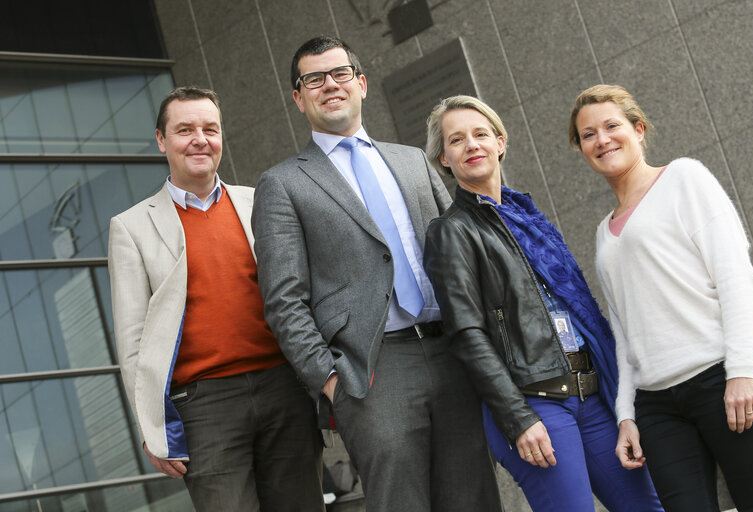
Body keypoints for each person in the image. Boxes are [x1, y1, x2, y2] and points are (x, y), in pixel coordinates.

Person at [252, 37, 501, 512]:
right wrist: (330, 379)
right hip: (372, 372)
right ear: (298, 97)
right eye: (313, 79)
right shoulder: (282, 184)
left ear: (361, 84)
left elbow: (463, 254)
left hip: (452, 353)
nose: (330, 85)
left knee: (475, 498)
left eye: (340, 73)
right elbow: (283, 299)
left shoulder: (413, 160)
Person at [422, 95, 662, 512]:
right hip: (535, 405)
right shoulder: (452, 232)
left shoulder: (528, 218)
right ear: (444, 158)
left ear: (500, 142)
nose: (471, 145)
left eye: (481, 134)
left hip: (591, 396)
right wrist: (517, 418)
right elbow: (466, 334)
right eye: (456, 140)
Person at [108, 87, 324, 511]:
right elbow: (133, 341)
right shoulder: (131, 227)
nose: (199, 139)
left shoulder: (261, 202)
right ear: (160, 140)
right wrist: (151, 426)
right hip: (203, 407)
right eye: (184, 129)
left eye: (210, 128)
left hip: (284, 388)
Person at [570, 83, 753, 511]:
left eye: (611, 126)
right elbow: (623, 331)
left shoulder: (683, 177)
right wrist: (627, 414)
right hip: (657, 405)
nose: (602, 139)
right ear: (583, 149)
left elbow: (735, 277)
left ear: (638, 130)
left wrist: (741, 371)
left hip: (719, 378)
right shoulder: (604, 232)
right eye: (588, 134)